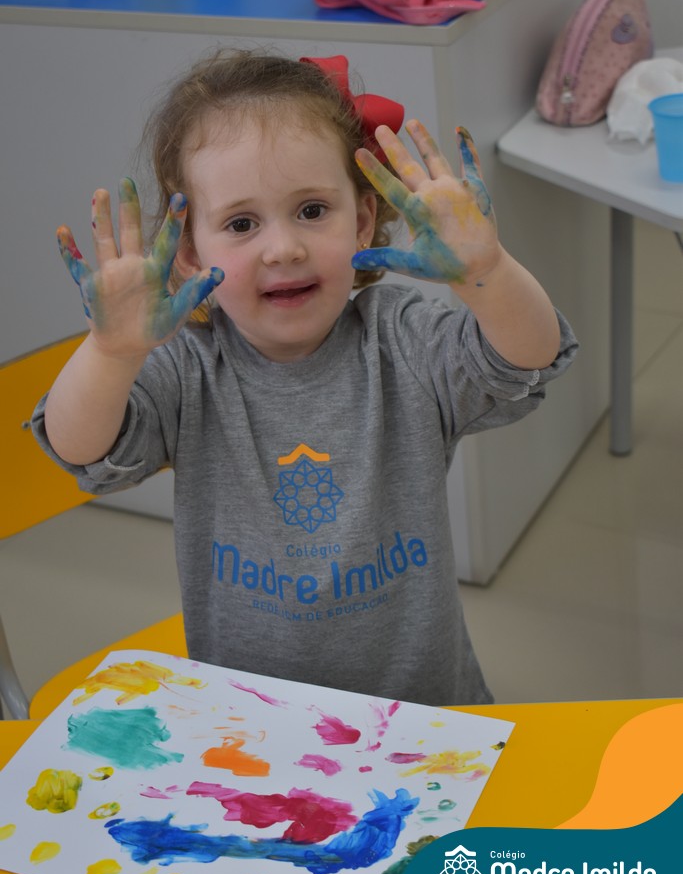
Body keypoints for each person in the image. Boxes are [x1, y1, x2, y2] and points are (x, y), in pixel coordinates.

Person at [32, 49, 577, 707]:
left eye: (312, 210)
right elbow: (78, 447)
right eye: (241, 223)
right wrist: (110, 352)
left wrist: (487, 272)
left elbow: (527, 356)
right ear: (191, 252)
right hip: (251, 730)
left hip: (425, 718)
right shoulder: (188, 365)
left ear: (363, 221)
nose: (284, 248)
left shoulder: (401, 338)